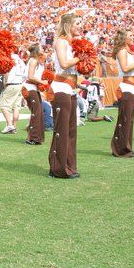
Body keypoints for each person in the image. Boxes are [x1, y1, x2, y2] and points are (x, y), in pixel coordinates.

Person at [48, 13, 87, 179]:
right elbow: (64, 64)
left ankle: (69, 166)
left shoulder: (74, 44)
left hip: (70, 88)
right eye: (77, 23)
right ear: (68, 25)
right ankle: (57, 168)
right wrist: (80, 58)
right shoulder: (61, 42)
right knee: (62, 130)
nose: (80, 26)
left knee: (71, 130)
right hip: (61, 87)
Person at [111, 29, 134, 158]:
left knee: (129, 120)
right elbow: (125, 68)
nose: (133, 37)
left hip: (132, 88)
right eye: (130, 35)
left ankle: (126, 147)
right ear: (124, 38)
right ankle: (121, 148)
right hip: (126, 88)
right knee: (125, 119)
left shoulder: (130, 51)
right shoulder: (122, 51)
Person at [22, 44, 46, 145]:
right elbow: (30, 76)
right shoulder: (33, 61)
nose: (43, 49)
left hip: (33, 88)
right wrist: (42, 82)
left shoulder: (37, 61)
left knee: (37, 112)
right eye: (41, 48)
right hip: (29, 87)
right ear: (37, 50)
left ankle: (35, 137)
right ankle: (31, 137)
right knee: (36, 112)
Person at [0, 50, 25, 134]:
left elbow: (7, 71)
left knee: (4, 106)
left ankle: (10, 125)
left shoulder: (9, 58)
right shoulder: (20, 60)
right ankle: (14, 127)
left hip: (12, 83)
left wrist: (5, 82)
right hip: (20, 84)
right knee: (16, 107)